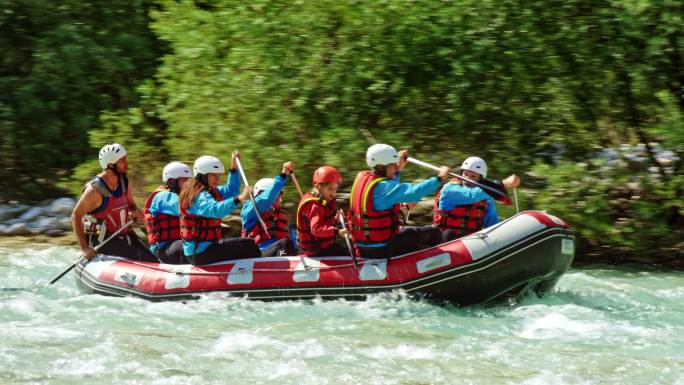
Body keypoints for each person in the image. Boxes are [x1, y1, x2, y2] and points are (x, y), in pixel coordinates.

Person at [348, 144, 450, 259]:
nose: (396, 167)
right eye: (393, 165)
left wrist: (398, 167)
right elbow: (413, 192)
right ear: (381, 166)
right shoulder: (383, 188)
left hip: (363, 246)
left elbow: (388, 188)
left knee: (412, 231)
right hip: (382, 247)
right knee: (433, 232)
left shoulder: (362, 178)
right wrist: (439, 178)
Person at [71, 143, 157, 262]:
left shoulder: (125, 182)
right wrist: (84, 248)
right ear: (110, 165)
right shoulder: (94, 190)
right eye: (123, 161)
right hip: (102, 240)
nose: (127, 164)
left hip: (124, 235)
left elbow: (131, 205)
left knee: (153, 260)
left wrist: (135, 211)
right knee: (142, 259)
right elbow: (76, 216)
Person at [172, 152, 261, 265]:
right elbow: (215, 210)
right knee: (249, 248)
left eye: (218, 176)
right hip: (199, 253)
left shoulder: (210, 191)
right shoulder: (197, 195)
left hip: (207, 249)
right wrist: (240, 198)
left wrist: (234, 167)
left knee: (248, 243)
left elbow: (231, 191)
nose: (217, 179)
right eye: (214, 176)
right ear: (203, 175)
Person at [434, 156, 520, 241]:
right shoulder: (449, 190)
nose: (467, 178)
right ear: (461, 173)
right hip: (447, 240)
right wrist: (503, 183)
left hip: (473, 242)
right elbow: (472, 195)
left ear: (480, 179)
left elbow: (492, 223)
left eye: (473, 176)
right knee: (449, 234)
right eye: (466, 174)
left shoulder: (486, 198)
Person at [241, 161, 296, 257]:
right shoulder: (251, 211)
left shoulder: (283, 216)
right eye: (276, 195)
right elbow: (265, 200)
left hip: (283, 251)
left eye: (279, 195)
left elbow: (294, 245)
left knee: (287, 244)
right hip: (258, 254)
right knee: (285, 244)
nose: (279, 199)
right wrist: (283, 175)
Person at [143, 161, 192, 264]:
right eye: (184, 180)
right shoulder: (162, 197)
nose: (188, 183)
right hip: (162, 249)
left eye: (188, 180)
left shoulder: (182, 196)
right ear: (172, 181)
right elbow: (186, 208)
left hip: (176, 245)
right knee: (191, 246)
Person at [296, 166, 349, 256]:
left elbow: (324, 222)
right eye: (329, 188)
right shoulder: (314, 206)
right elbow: (316, 230)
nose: (333, 192)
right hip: (316, 250)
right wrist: (337, 231)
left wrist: (336, 220)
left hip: (325, 246)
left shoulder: (324, 202)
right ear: (319, 187)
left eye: (335, 189)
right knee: (348, 255)